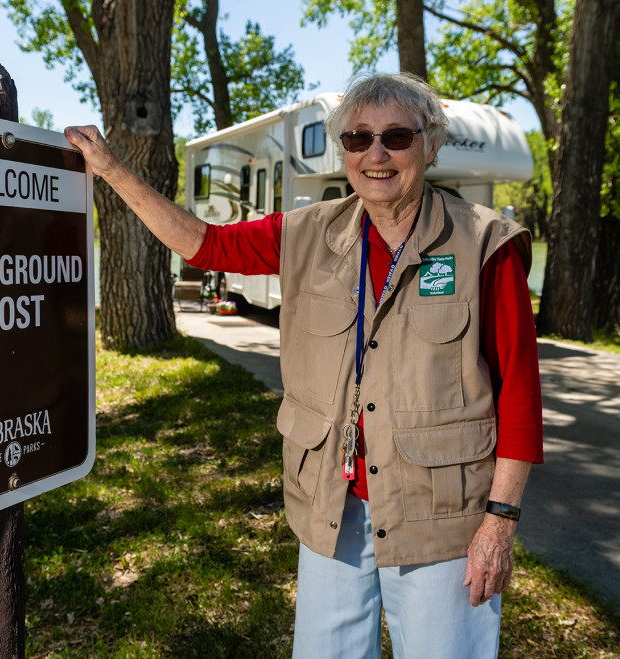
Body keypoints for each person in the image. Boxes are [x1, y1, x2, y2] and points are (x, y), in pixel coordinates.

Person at [64, 72, 543, 658]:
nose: (376, 154)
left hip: (441, 517)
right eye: (357, 138)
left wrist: (499, 522)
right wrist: (111, 170)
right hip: (332, 509)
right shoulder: (309, 232)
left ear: (430, 143)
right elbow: (204, 243)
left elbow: (519, 391)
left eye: (396, 136)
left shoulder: (483, 243)